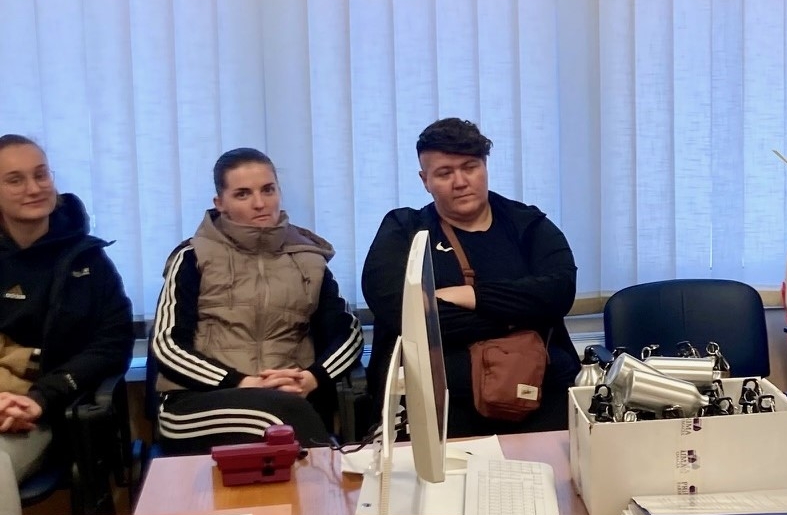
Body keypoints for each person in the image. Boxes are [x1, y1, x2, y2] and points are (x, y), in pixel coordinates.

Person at [362, 118, 581, 436]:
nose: (460, 182)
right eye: (444, 173)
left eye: (470, 167)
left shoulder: (527, 225)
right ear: (425, 180)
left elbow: (559, 292)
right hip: (436, 405)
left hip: (537, 396)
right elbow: (403, 312)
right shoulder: (403, 230)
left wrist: (472, 296)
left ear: (485, 167)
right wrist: (520, 315)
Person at [151, 148, 363, 453]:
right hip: (197, 402)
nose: (260, 203)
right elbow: (167, 345)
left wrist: (312, 378)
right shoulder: (192, 257)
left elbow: (349, 335)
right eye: (243, 194)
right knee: (281, 421)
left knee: (286, 417)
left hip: (292, 398)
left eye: (268, 190)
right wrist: (242, 383)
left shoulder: (309, 259)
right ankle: (331, 476)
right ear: (220, 203)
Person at [0, 135, 134, 515]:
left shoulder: (88, 260)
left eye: (41, 175)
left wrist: (43, 396)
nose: (34, 188)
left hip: (45, 415)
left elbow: (112, 344)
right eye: (15, 180)